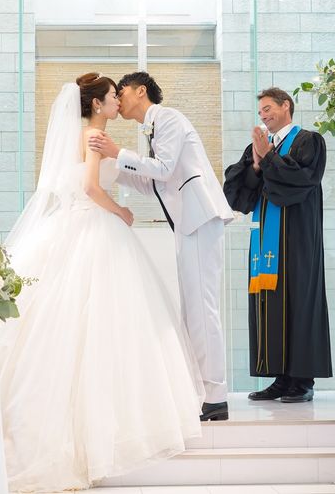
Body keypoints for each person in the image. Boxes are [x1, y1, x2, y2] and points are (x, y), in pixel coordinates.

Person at [0, 73, 205, 493]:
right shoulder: (92, 135)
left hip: (76, 225)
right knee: (100, 322)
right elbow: (90, 187)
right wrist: (120, 212)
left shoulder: (91, 136)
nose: (117, 102)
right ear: (96, 104)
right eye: (112, 96)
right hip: (92, 226)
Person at [88, 71, 234, 422]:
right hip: (189, 224)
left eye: (122, 92)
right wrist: (110, 166)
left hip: (199, 218)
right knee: (193, 310)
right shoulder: (152, 128)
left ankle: (216, 396)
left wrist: (117, 152)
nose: (118, 100)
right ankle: (205, 391)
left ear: (141, 91)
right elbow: (151, 182)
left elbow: (164, 169)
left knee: (202, 310)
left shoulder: (168, 118)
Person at [223, 87, 332, 402]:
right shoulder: (258, 147)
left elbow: (300, 182)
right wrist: (257, 166)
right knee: (269, 303)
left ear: (286, 106)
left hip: (297, 240)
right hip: (265, 245)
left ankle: (303, 381)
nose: (263, 115)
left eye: (268, 108)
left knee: (299, 300)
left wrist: (268, 158)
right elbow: (237, 193)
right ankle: (280, 378)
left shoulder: (308, 141)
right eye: (260, 112)